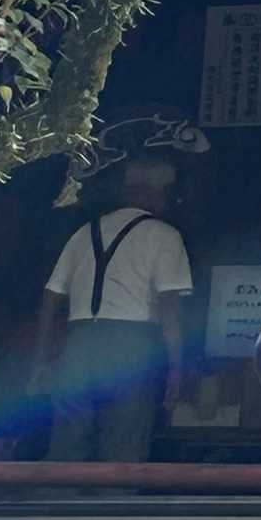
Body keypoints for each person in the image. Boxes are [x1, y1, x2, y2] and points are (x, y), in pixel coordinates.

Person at [37, 154, 193, 461]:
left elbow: (51, 297)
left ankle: (62, 491)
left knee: (68, 441)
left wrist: (43, 357)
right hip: (131, 344)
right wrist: (177, 366)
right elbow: (169, 307)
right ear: (159, 193)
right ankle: (114, 492)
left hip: (78, 342)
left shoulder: (84, 233)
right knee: (125, 440)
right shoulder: (165, 236)